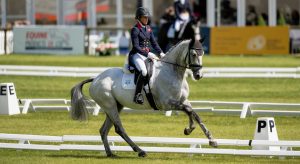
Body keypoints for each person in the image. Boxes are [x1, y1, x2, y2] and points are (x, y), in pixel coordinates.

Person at [129, 7, 165, 104]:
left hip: (146, 55)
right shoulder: (135, 30)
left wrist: (161, 53)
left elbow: (154, 43)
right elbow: (136, 47)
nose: (146, 19)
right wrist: (148, 53)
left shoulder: (148, 28)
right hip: (136, 55)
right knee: (144, 71)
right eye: (144, 17)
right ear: (139, 18)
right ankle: (137, 95)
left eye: (147, 17)